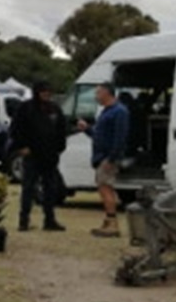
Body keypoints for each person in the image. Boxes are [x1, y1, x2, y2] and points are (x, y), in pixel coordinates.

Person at [9, 80, 67, 232]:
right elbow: (15, 129)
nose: (47, 94)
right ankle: (24, 221)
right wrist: (22, 147)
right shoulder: (26, 108)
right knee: (28, 188)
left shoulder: (54, 109)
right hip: (32, 155)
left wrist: (60, 148)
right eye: (43, 91)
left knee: (50, 188)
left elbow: (62, 129)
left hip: (50, 155)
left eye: (48, 91)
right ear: (37, 92)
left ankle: (49, 220)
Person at [78, 83, 130, 238]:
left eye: (98, 93)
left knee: (106, 188)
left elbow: (120, 137)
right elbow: (99, 135)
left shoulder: (119, 112)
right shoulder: (106, 112)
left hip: (108, 158)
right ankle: (108, 220)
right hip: (100, 156)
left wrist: (111, 159)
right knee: (102, 188)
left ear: (107, 93)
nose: (96, 96)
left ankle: (113, 223)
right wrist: (87, 128)